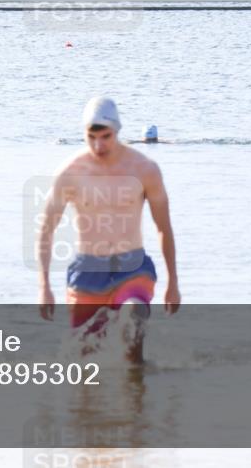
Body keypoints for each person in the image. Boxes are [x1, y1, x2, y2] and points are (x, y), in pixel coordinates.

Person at [36, 97, 180, 363]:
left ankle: (135, 394)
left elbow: (163, 228)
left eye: (105, 136)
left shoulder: (145, 170)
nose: (98, 145)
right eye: (91, 137)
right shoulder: (70, 173)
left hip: (133, 267)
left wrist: (173, 281)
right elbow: (46, 230)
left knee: (133, 317)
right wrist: (44, 285)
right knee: (84, 359)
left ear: (117, 131)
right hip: (87, 270)